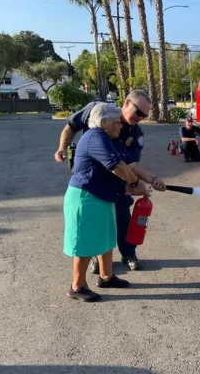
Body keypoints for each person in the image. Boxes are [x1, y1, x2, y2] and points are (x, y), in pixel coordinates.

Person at [55, 90, 166, 272]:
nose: (140, 118)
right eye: (138, 112)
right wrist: (62, 147)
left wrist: (153, 180)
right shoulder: (97, 114)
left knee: (121, 218)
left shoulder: (134, 133)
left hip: (115, 185)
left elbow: (131, 164)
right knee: (93, 225)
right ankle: (91, 265)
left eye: (145, 115)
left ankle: (127, 254)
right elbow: (70, 126)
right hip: (92, 184)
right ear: (127, 103)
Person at [63, 103, 150, 302]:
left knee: (106, 238)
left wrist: (149, 180)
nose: (120, 127)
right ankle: (77, 286)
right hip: (86, 196)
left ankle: (106, 276)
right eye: (116, 123)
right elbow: (117, 166)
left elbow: (129, 164)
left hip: (102, 196)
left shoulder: (109, 138)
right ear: (104, 122)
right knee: (85, 243)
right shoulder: (95, 136)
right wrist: (135, 183)